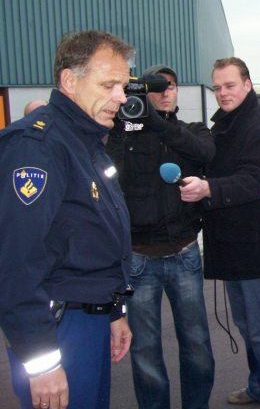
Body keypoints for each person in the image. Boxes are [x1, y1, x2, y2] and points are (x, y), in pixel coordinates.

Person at [0, 30, 135, 409]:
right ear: (69, 81)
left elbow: (92, 240)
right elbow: (16, 261)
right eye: (109, 85)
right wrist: (41, 363)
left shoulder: (86, 141)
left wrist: (113, 311)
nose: (121, 98)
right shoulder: (37, 147)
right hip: (58, 330)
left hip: (89, 320)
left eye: (123, 86)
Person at [179, 57, 260, 408]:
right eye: (217, 87)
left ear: (247, 85)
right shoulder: (226, 124)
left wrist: (209, 188)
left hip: (259, 250)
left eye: (230, 85)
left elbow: (255, 180)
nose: (222, 93)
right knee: (250, 330)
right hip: (234, 247)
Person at [106, 64, 215, 409]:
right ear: (142, 93)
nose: (165, 91)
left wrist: (157, 123)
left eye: (170, 86)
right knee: (145, 351)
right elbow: (108, 175)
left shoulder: (192, 129)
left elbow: (204, 154)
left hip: (184, 253)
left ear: (178, 91)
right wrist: (126, 130)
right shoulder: (124, 135)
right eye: (156, 87)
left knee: (197, 345)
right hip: (138, 259)